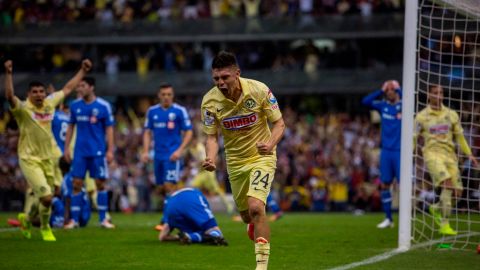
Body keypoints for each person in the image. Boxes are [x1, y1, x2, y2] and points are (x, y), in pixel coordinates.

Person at [201, 51, 285, 270]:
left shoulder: (259, 90)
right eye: (216, 78)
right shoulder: (209, 102)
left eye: (225, 77)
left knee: (257, 207)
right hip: (235, 162)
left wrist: (270, 145)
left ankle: (261, 266)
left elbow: (279, 124)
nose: (220, 82)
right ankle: (252, 226)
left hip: (262, 157)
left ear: (237, 73)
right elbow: (211, 136)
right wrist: (210, 157)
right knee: (247, 216)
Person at [4, 59, 92, 241]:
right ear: (28, 94)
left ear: (45, 93)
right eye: (34, 92)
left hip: (48, 159)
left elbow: (68, 88)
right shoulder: (22, 109)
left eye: (41, 91)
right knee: (46, 197)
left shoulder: (49, 104)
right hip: (29, 159)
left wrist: (82, 71)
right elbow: (9, 96)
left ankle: (27, 219)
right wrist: (8, 74)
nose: (38, 94)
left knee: (49, 196)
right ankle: (45, 228)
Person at [415, 84, 478, 235]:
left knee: (458, 193)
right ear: (429, 95)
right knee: (447, 184)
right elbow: (413, 137)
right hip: (432, 155)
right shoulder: (421, 117)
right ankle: (445, 224)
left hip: (450, 156)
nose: (439, 95)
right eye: (435, 93)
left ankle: (435, 208)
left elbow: (460, 137)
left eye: (441, 92)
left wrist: (469, 154)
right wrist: (408, 155)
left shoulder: (452, 114)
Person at [64, 76, 115, 229]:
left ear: (91, 87)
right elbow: (71, 127)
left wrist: (110, 149)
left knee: (100, 184)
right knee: (76, 184)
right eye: (78, 86)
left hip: (97, 152)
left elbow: (109, 128)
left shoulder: (103, 106)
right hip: (80, 152)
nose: (79, 89)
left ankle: (103, 219)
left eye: (83, 86)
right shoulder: (74, 106)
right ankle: (74, 220)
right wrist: (66, 148)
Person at [141, 83, 193, 229]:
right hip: (158, 156)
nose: (166, 97)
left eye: (169, 94)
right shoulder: (152, 112)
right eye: (163, 94)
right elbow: (147, 132)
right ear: (159, 95)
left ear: (173, 95)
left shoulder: (179, 111)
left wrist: (180, 150)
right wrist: (145, 151)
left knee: (170, 186)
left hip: (172, 156)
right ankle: (176, 215)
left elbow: (189, 131)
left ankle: (166, 221)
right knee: (161, 188)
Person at [362, 80, 402, 229]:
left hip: (400, 152)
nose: (390, 92)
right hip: (386, 151)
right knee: (385, 185)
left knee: (403, 185)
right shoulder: (383, 106)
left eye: (392, 90)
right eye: (388, 90)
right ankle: (388, 218)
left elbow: (413, 102)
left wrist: (400, 89)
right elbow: (365, 101)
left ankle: (407, 219)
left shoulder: (404, 106)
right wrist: (380, 90)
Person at [158, 187, 228, 246]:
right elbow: (209, 226)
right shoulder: (198, 194)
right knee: (216, 233)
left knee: (197, 231)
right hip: (191, 199)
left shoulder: (170, 199)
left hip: (171, 207)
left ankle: (189, 236)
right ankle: (192, 237)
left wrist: (177, 237)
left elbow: (162, 237)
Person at [188, 135, 234, 214]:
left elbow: (203, 161)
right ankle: (196, 206)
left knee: (216, 189)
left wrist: (194, 164)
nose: (192, 143)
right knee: (193, 186)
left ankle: (229, 205)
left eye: (192, 141)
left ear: (195, 140)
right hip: (201, 172)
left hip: (208, 172)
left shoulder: (200, 148)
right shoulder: (191, 149)